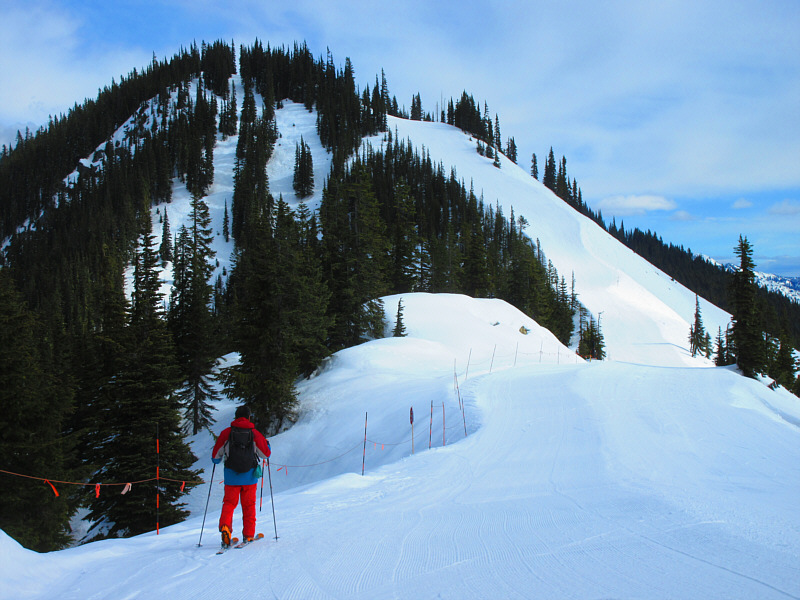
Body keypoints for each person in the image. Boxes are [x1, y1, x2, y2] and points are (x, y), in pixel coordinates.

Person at [212, 405, 271, 547]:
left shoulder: (226, 433)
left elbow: (215, 458)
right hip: (249, 477)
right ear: (249, 417)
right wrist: (267, 445)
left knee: (229, 503)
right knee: (249, 505)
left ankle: (226, 527)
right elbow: (266, 455)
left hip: (231, 476)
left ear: (236, 417)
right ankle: (249, 535)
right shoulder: (255, 434)